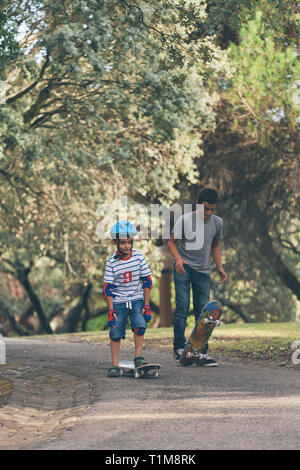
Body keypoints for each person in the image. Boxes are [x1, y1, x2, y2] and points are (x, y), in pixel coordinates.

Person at [167, 188, 227, 366]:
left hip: (203, 271)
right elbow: (171, 242)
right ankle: (179, 348)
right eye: (206, 209)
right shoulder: (185, 220)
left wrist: (220, 268)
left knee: (205, 313)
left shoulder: (217, 223)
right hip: (183, 269)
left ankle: (201, 352)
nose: (208, 213)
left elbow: (215, 246)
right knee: (182, 307)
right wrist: (178, 259)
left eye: (212, 209)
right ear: (198, 205)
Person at [103, 220, 153, 377]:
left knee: (139, 326)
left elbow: (147, 281)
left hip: (137, 299)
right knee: (115, 333)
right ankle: (114, 365)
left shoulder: (138, 257)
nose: (127, 246)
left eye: (129, 242)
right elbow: (108, 289)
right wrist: (111, 311)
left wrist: (147, 305)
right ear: (115, 242)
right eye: (123, 243)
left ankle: (138, 357)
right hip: (118, 302)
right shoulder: (111, 261)